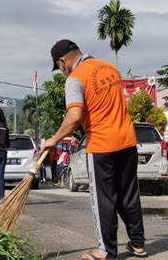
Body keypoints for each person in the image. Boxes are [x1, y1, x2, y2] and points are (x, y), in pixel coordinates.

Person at [41, 39, 146, 259]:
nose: (61, 71)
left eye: (58, 67)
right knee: (129, 195)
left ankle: (106, 251)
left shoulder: (74, 78)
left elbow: (74, 117)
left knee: (104, 199)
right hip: (127, 140)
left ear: (62, 61)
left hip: (101, 145)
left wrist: (54, 139)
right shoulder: (110, 68)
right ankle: (138, 244)